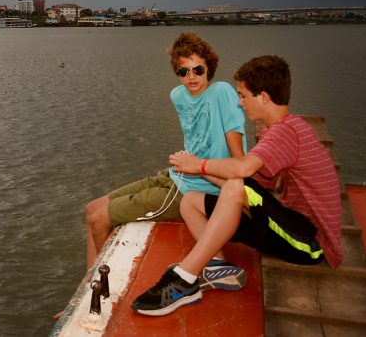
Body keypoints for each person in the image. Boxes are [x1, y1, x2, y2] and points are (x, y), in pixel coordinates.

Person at [132, 55, 343, 316]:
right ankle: (217, 266)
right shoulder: (278, 131)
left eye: (243, 96)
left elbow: (241, 170)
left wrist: (200, 165)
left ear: (263, 97)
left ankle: (185, 278)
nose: (240, 103)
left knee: (233, 187)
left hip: (309, 243)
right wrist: (193, 169)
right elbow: (249, 181)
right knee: (191, 201)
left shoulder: (286, 132)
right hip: (289, 223)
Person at [85, 33, 247, 273]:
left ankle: (97, 286)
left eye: (197, 69)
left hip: (197, 188)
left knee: (99, 219)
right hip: (176, 174)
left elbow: (238, 158)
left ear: (208, 68)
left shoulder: (222, 92)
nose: (191, 77)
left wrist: (239, 196)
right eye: (183, 71)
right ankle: (85, 288)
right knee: (91, 208)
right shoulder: (178, 95)